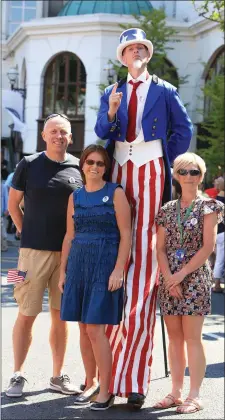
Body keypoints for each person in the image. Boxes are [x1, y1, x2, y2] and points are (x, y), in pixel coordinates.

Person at [94, 28, 193, 407]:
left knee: (145, 266)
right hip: (118, 167)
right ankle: (104, 376)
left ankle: (135, 380)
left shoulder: (165, 90)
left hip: (150, 168)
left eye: (141, 48)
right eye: (130, 48)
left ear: (147, 55)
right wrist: (113, 112)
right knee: (114, 250)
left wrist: (159, 155)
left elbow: (183, 131)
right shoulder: (111, 91)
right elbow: (103, 130)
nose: (136, 52)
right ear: (122, 56)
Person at [6, 113, 83, 397]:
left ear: (70, 137)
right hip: (31, 254)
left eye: (63, 132)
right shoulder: (28, 164)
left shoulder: (79, 167)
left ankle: (57, 375)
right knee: (26, 312)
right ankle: (17, 374)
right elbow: (13, 204)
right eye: (53, 131)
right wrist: (26, 235)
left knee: (61, 316)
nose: (58, 136)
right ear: (44, 135)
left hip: (68, 255)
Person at [59, 144, 131, 410]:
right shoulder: (75, 197)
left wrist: (118, 269)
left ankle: (107, 389)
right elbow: (69, 236)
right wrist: (63, 270)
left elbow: (126, 234)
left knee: (95, 329)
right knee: (82, 327)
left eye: (100, 164)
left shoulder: (115, 193)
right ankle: (89, 382)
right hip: (78, 263)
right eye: (90, 162)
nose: (94, 167)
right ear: (83, 165)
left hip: (104, 263)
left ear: (106, 168)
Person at [154, 152, 224, 414]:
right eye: (183, 171)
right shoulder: (167, 210)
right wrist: (169, 277)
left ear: (201, 175)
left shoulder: (209, 206)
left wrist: (180, 275)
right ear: (175, 175)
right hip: (169, 277)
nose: (188, 176)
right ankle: (176, 391)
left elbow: (207, 247)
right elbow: (159, 248)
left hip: (194, 277)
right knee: (174, 338)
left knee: (192, 338)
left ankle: (195, 395)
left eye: (194, 172)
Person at [212, 177, 225, 293]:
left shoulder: (216, 200)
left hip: (219, 231)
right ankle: (216, 284)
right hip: (222, 232)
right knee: (220, 258)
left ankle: (216, 283)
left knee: (220, 258)